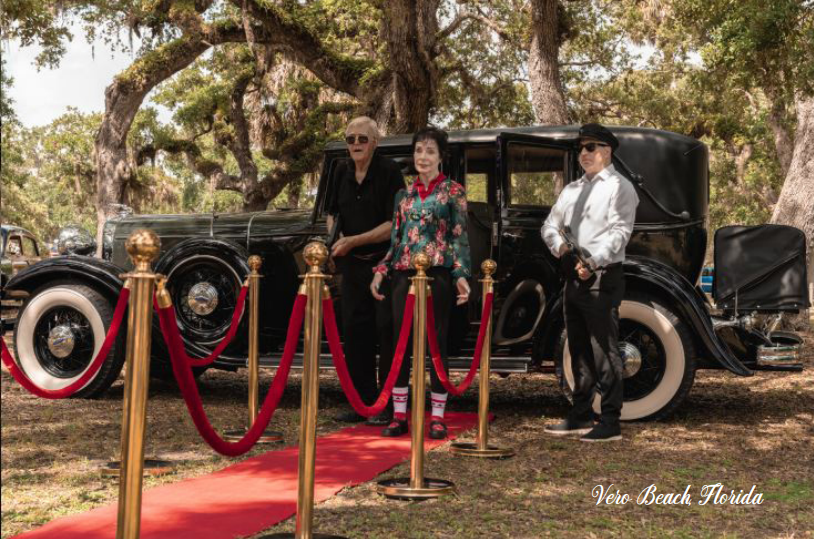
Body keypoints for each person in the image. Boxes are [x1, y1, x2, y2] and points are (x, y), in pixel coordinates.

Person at [371, 126, 471, 440]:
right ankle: (399, 415)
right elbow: (396, 240)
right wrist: (381, 270)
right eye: (418, 150)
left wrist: (461, 275)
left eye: (430, 151)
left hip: (437, 274)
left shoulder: (453, 191)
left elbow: (459, 238)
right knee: (400, 343)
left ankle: (437, 417)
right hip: (403, 274)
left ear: (441, 156)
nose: (423, 157)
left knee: (435, 343)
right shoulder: (403, 196)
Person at [541, 123, 639, 442]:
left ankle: (610, 421)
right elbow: (549, 225)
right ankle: (581, 414)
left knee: (604, 349)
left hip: (603, 275)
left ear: (607, 151)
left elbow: (620, 232)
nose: (583, 153)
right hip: (573, 274)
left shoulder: (620, 187)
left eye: (591, 147)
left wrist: (592, 261)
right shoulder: (571, 190)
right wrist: (563, 249)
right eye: (581, 148)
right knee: (579, 347)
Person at [327, 116, 406, 425]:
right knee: (354, 332)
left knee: (386, 332)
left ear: (375, 142)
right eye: (351, 139)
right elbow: (333, 213)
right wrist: (333, 241)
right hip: (351, 265)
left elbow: (394, 223)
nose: (356, 144)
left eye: (362, 139)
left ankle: (387, 404)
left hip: (384, 265)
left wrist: (353, 241)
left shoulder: (389, 171)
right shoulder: (340, 171)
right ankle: (361, 402)